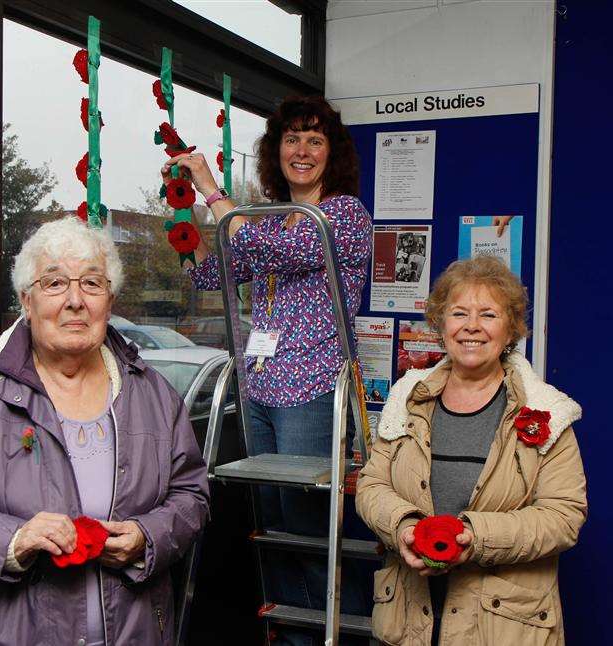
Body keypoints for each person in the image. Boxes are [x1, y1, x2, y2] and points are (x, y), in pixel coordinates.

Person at [0, 217, 210, 646]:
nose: (75, 300)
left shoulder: (151, 391)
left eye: (92, 284)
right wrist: (13, 539)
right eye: (56, 283)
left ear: (110, 301)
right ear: (27, 299)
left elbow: (191, 496)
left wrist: (147, 537)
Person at [162, 95, 372, 644]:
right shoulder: (267, 219)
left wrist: (210, 188)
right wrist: (181, 220)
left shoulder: (343, 215)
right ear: (277, 151)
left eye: (315, 140)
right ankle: (292, 638)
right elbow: (208, 276)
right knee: (273, 530)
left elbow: (266, 251)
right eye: (292, 139)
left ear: (333, 153)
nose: (301, 151)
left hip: (310, 389)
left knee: (310, 532)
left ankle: (337, 638)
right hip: (259, 387)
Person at [355, 255, 587, 646]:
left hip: (504, 627)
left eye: (489, 315)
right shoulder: (407, 397)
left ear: (511, 328)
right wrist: (404, 528)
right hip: (409, 619)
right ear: (441, 323)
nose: (472, 327)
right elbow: (371, 485)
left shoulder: (546, 410)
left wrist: (474, 537)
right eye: (459, 312)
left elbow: (564, 516)